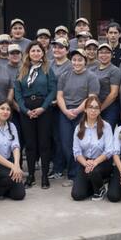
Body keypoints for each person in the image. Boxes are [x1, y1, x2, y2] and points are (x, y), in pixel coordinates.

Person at [14, 42, 57, 189]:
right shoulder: (21, 70)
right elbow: (17, 93)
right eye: (33, 51)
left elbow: (52, 90)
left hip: (44, 108)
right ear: (28, 53)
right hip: (27, 109)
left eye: (39, 51)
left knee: (44, 143)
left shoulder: (47, 70)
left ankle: (44, 175)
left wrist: (43, 108)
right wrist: (25, 110)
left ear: (43, 54)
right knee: (30, 144)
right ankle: (31, 175)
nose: (36, 53)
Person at [56, 49, 100, 185]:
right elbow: (59, 95)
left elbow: (92, 97)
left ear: (85, 61)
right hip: (65, 113)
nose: (76, 62)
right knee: (66, 144)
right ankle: (72, 173)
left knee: (80, 144)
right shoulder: (64, 75)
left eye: (80, 60)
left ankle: (78, 175)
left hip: (82, 113)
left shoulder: (91, 76)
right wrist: (65, 111)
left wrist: (76, 111)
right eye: (74, 60)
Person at [70, 95, 114, 201]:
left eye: (96, 108)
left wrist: (95, 162)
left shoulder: (106, 126)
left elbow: (109, 150)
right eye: (90, 107)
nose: (93, 110)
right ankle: (94, 185)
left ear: (99, 111)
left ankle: (100, 189)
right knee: (77, 195)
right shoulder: (79, 128)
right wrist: (86, 163)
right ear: (85, 109)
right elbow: (76, 151)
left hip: (102, 162)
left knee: (94, 172)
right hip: (85, 163)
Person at [48, 37, 72, 180]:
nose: (57, 50)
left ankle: (63, 167)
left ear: (67, 50)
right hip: (49, 106)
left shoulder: (71, 65)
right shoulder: (48, 64)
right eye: (55, 47)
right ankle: (57, 166)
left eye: (60, 47)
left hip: (64, 106)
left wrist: (58, 101)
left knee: (63, 139)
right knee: (53, 138)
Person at [94, 43, 121, 129]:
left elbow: (114, 94)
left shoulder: (114, 70)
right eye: (101, 53)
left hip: (110, 108)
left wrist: (100, 108)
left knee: (107, 132)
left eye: (107, 53)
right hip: (95, 107)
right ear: (98, 55)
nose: (104, 55)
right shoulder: (94, 69)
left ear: (111, 55)